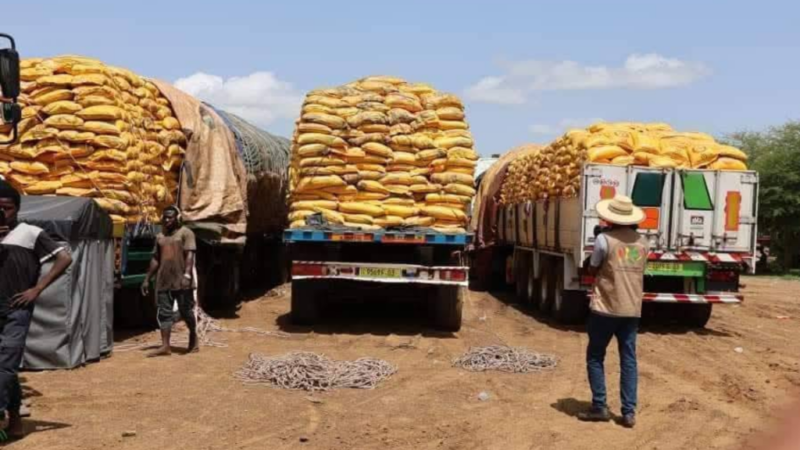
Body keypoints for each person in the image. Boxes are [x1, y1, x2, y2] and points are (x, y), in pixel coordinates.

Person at [0, 179, 72, 441]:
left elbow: (64, 257)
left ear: (16, 208)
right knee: (6, 370)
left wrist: (37, 289)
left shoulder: (29, 232)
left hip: (16, 308)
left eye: (6, 208)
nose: (2, 213)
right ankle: (16, 422)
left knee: (5, 365)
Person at [578, 195, 648, 429]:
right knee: (629, 359)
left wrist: (590, 258)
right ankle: (628, 412)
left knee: (596, 356)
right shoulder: (643, 242)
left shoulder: (603, 239)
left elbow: (594, 267)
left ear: (610, 218)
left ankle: (600, 406)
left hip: (605, 307)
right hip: (632, 309)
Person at [141, 206, 199, 357]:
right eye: (165, 217)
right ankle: (165, 346)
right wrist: (147, 279)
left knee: (186, 310)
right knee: (164, 313)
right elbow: (155, 259)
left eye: (170, 217)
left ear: (177, 218)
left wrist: (187, 276)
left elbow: (190, 256)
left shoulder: (186, 233)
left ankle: (193, 336)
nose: (167, 220)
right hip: (164, 281)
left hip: (181, 280)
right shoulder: (160, 236)